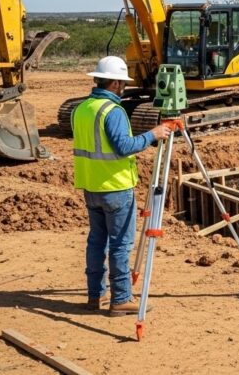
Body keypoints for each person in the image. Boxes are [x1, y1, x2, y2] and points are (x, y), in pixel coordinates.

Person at [73, 56, 171, 316]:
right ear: (116, 83)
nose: (124, 87)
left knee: (96, 242)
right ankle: (121, 299)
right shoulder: (112, 111)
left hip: (91, 186)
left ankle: (95, 296)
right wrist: (154, 134)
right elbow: (123, 147)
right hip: (115, 187)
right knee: (120, 245)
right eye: (123, 83)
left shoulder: (82, 109)